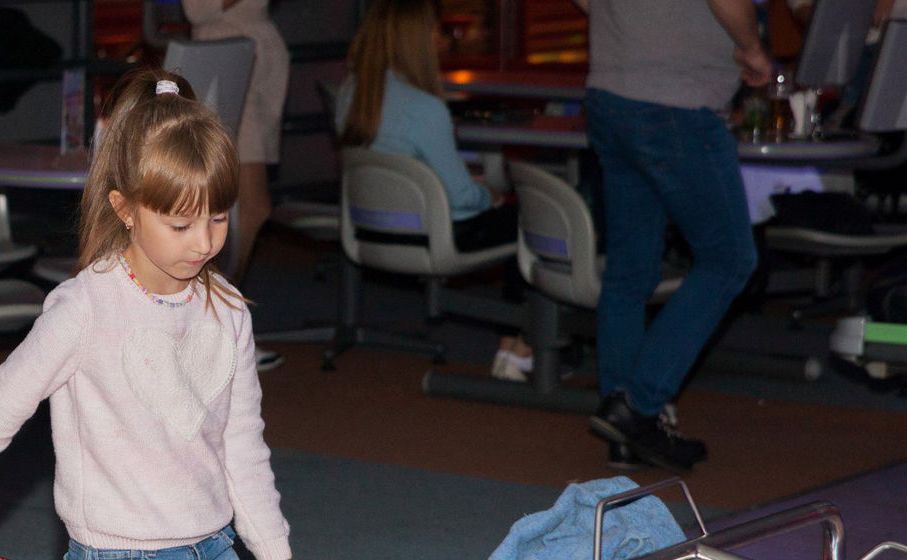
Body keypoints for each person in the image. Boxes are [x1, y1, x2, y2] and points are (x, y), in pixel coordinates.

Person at [0, 69, 307, 560]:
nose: (205, 242)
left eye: (217, 219)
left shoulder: (228, 310)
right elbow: (0, 405)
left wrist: (275, 555)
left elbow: (242, 444)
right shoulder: (86, 308)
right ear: (125, 209)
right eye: (181, 224)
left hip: (214, 557)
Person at [572, 0, 773, 472]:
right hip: (676, 102)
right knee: (729, 259)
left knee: (629, 271)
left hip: (609, 93)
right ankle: (638, 406)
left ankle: (625, 434)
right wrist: (753, 51)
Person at [335, 0, 531, 381]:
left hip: (371, 229)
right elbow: (460, 198)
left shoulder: (349, 93)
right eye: (436, 31)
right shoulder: (426, 108)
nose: (442, 39)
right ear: (417, 41)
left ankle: (516, 346)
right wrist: (488, 195)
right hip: (434, 234)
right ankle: (518, 345)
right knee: (528, 218)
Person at [182, 0, 289, 372]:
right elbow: (198, 10)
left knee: (237, 211)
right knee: (244, 208)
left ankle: (214, 328)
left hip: (257, 68)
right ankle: (212, 326)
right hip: (225, 66)